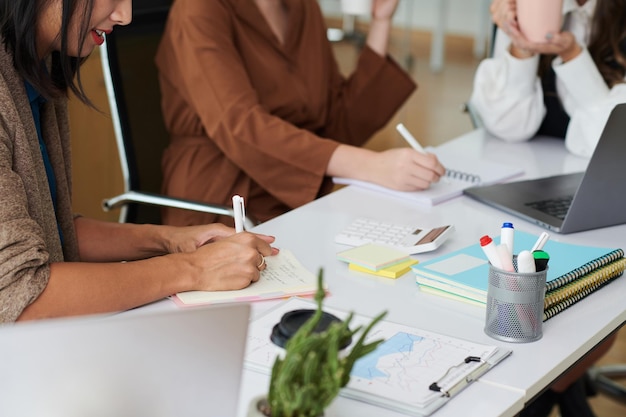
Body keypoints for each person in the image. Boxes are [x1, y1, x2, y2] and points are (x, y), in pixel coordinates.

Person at [0, 0, 277, 323]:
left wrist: (170, 240)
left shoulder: (36, 67)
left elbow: (53, 232)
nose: (125, 15)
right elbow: (18, 293)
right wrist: (195, 269)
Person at [155, 0, 445, 226]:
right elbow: (241, 126)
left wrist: (380, 22)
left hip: (299, 196)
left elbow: (336, 124)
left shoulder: (301, 7)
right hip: (224, 201)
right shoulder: (197, 10)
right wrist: (371, 166)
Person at [470, 0, 626, 157]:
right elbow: (508, 126)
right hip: (531, 164)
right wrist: (521, 44)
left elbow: (617, 145)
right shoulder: (520, 6)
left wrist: (572, 56)